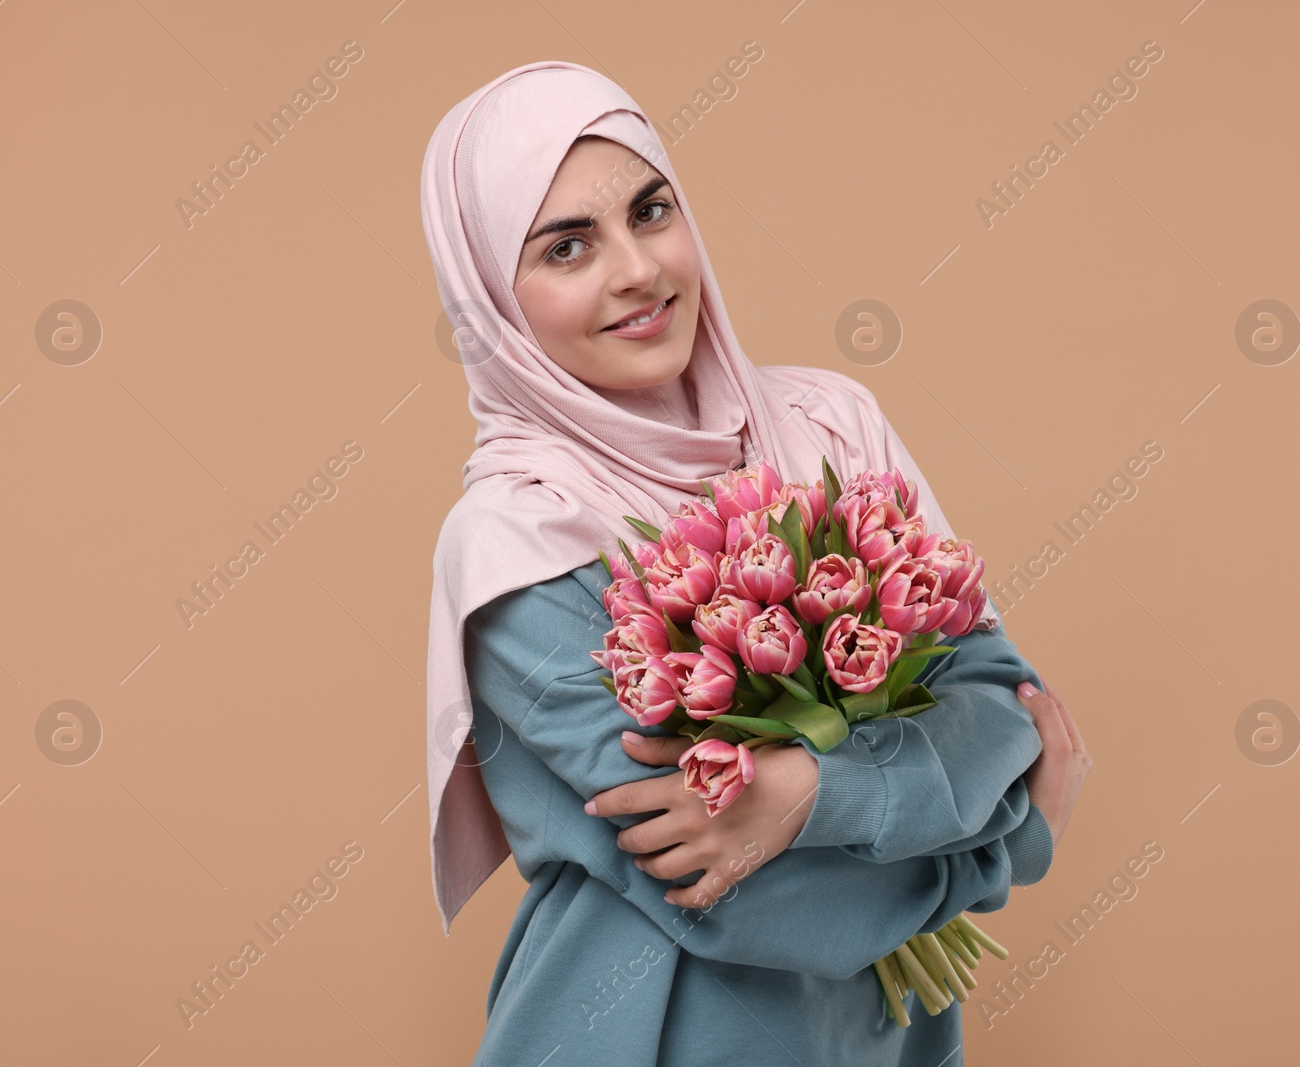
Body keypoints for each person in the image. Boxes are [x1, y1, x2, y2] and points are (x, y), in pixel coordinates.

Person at [420, 61, 1092, 1066]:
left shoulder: (826, 425)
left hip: (885, 1038)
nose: (639, 269)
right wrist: (1010, 840)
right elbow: (727, 893)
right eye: (566, 246)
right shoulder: (519, 537)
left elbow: (999, 705)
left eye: (652, 211)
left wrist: (807, 795)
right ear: (493, 300)